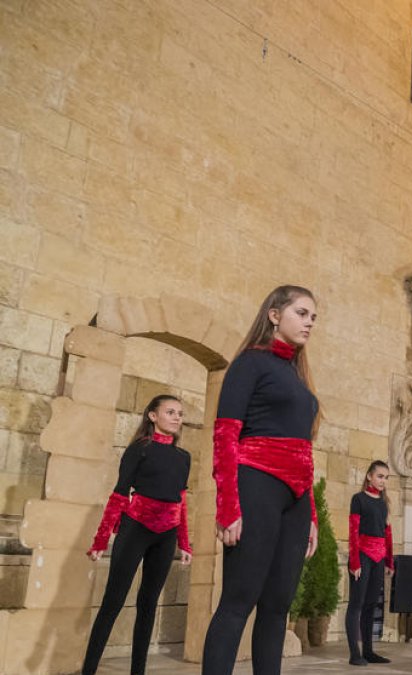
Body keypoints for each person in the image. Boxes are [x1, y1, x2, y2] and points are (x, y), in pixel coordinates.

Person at [203, 285, 320, 675]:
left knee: (277, 606)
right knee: (238, 600)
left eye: (313, 317)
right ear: (274, 314)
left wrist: (313, 516)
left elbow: (305, 449)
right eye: (302, 313)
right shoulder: (249, 363)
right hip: (258, 483)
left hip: (297, 497)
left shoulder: (297, 374)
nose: (309, 323)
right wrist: (227, 506)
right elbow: (224, 435)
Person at [82, 395, 193, 675]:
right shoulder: (138, 450)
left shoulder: (183, 457)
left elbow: (181, 502)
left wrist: (184, 543)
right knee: (113, 601)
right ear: (153, 416)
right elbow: (119, 494)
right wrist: (100, 540)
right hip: (136, 529)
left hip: (166, 535)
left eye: (180, 413)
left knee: (148, 604)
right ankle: (89, 670)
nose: (177, 417)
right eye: (170, 412)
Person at [345, 460, 395, 665]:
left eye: (386, 477)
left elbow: (388, 534)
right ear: (369, 476)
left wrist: (389, 562)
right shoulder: (358, 499)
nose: (383, 481)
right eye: (380, 476)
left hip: (378, 557)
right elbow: (353, 531)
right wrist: (355, 562)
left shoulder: (384, 504)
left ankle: (368, 651)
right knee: (356, 604)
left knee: (371, 604)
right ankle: (354, 653)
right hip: (362, 555)